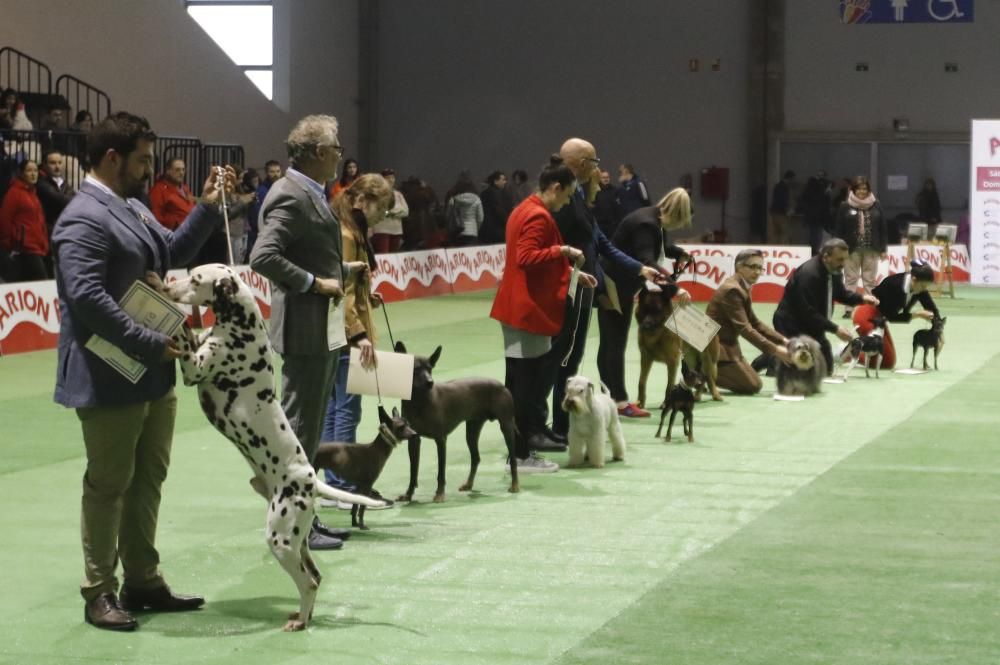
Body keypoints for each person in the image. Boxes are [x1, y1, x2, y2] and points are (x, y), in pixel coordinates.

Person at [51, 111, 233, 631]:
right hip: (108, 372)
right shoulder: (83, 217)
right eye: (143, 161)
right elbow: (85, 298)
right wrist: (149, 342)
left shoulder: (129, 206)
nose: (150, 171)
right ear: (112, 157)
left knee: (148, 476)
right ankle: (98, 590)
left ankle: (142, 578)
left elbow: (170, 250)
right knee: (108, 483)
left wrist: (205, 208)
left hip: (151, 369)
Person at [249, 114, 368, 552]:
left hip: (319, 327)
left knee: (310, 430)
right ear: (319, 153)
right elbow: (263, 256)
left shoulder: (310, 193)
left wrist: (343, 270)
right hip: (304, 328)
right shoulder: (291, 196)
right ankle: (292, 522)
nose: (340, 154)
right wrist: (314, 283)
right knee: (298, 430)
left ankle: (306, 517)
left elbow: (309, 252)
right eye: (335, 147)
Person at [490, 156, 597, 472]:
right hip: (527, 313)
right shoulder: (537, 215)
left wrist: (574, 274)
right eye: (565, 196)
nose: (566, 204)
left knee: (516, 383)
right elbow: (527, 257)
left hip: (516, 309)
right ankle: (521, 454)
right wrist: (564, 251)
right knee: (524, 387)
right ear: (555, 187)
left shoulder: (522, 209)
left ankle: (517, 451)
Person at [548, 138, 659, 441]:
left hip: (585, 288)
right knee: (564, 359)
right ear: (583, 164)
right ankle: (557, 426)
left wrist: (638, 268)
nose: (599, 169)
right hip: (569, 289)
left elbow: (601, 242)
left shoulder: (580, 197)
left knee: (573, 356)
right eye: (595, 162)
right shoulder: (563, 200)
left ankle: (563, 425)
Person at [320, 174, 393, 501]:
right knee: (347, 410)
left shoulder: (348, 229)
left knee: (333, 407)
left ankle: (331, 480)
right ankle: (344, 482)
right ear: (363, 200)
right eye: (382, 208)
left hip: (338, 333)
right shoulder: (349, 234)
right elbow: (343, 293)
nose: (383, 216)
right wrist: (360, 334)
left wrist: (368, 296)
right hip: (348, 336)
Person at [596, 188, 692, 416]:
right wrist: (674, 288)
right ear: (678, 214)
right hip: (614, 285)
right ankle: (620, 402)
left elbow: (656, 249)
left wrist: (678, 253)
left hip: (617, 283)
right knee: (615, 343)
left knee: (610, 342)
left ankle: (608, 396)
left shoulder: (653, 218)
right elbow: (645, 259)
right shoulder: (647, 225)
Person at [771, 238, 878, 373]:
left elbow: (841, 294)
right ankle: (771, 358)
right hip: (791, 325)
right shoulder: (808, 275)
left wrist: (862, 299)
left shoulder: (834, 270)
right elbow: (807, 312)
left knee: (826, 369)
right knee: (793, 367)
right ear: (826, 257)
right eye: (840, 259)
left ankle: (775, 356)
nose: (844, 264)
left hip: (814, 325)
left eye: (845, 259)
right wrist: (835, 329)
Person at [705, 249, 791, 394]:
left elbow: (755, 323)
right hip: (716, 348)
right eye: (752, 267)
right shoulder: (732, 290)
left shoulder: (742, 286)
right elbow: (745, 329)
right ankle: (700, 372)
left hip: (729, 347)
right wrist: (776, 350)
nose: (757, 272)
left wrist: (784, 341)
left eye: (760, 268)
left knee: (755, 382)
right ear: (739, 267)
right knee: (753, 385)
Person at [850, 259, 940, 369]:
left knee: (889, 360)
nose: (924, 290)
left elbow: (931, 308)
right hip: (866, 316)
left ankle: (856, 350)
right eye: (923, 286)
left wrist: (938, 330)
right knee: (886, 362)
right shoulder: (893, 285)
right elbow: (891, 317)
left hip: (880, 320)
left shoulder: (919, 288)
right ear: (914, 279)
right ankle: (849, 352)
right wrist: (917, 315)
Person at [834, 175, 886, 319]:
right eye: (859, 189)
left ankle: (870, 309)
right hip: (850, 250)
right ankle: (849, 309)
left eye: (865, 189)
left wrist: (883, 249)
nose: (862, 192)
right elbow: (838, 230)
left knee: (870, 280)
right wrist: (838, 249)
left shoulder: (877, 205)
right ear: (853, 190)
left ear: (868, 190)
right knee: (851, 279)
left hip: (872, 249)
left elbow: (883, 228)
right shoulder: (845, 206)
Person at [0, 158, 50, 281]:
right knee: (42, 285)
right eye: (29, 170)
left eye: (35, 170)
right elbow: (5, 219)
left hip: (36, 248)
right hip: (25, 249)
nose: (33, 174)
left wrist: (44, 243)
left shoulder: (33, 193)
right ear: (21, 173)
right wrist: (10, 244)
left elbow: (40, 221)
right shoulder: (14, 193)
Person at [148, 158, 196, 231]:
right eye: (177, 170)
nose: (181, 173)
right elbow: (156, 217)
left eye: (183, 169)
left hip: (192, 228)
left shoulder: (184, 188)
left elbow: (192, 205)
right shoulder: (158, 190)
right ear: (168, 171)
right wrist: (175, 224)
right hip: (176, 233)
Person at [370, 168, 408, 253]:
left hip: (397, 230)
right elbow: (379, 210)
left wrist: (393, 213)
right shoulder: (377, 194)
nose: (391, 180)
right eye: (388, 178)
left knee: (394, 256)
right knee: (384, 255)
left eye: (392, 178)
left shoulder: (398, 194)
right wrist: (389, 212)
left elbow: (405, 211)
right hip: (382, 230)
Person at [445, 172, 484, 246]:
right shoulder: (477, 200)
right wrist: (476, 228)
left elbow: (447, 216)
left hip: (457, 232)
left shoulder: (453, 200)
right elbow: (480, 218)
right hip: (472, 231)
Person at [797, 173, 832, 256]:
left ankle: (811, 249)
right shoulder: (821, 192)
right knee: (818, 234)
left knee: (812, 233)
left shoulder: (807, 192)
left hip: (810, 216)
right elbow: (826, 204)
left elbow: (801, 201)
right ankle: (815, 249)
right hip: (819, 216)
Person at [478, 170, 512, 244]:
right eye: (503, 180)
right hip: (496, 231)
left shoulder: (484, 193)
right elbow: (499, 211)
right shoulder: (496, 194)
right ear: (496, 181)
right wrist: (508, 222)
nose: (505, 182)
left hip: (486, 230)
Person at [593, 169, 622, 238]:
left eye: (607, 177)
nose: (606, 179)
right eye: (604, 177)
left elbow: (619, 207)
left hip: (612, 225)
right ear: (599, 179)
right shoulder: (595, 191)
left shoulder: (615, 190)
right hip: (600, 224)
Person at [769, 169, 795, 244]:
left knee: (776, 232)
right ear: (790, 178)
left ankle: (775, 249)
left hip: (774, 212)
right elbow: (783, 200)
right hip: (781, 213)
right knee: (784, 232)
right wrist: (787, 211)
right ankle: (784, 248)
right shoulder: (784, 187)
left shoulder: (777, 185)